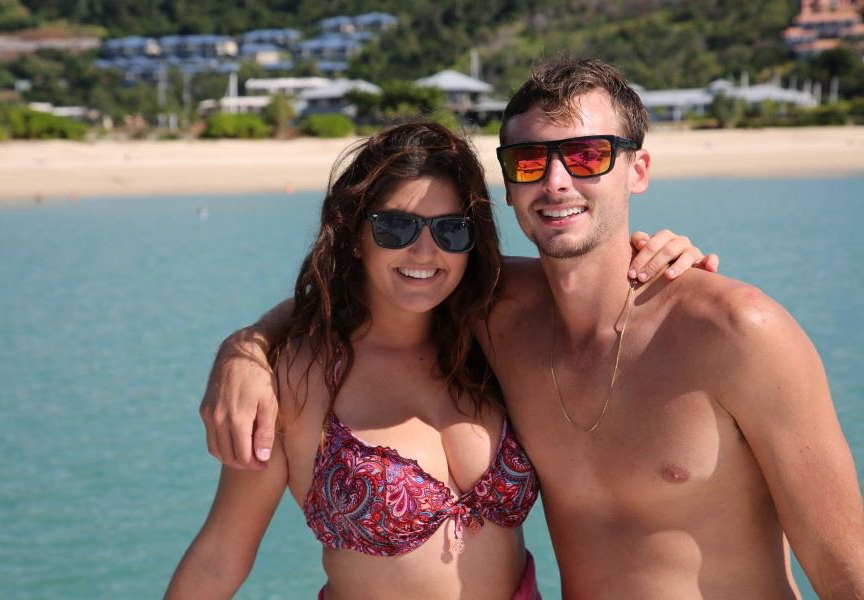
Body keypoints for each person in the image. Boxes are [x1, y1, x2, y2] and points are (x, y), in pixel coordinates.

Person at [200, 58, 864, 598]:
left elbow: (845, 569)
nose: (554, 181)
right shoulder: (497, 310)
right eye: (528, 162)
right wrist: (249, 347)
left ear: (638, 169)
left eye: (587, 156)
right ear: (509, 186)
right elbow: (367, 284)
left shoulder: (737, 332)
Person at [173, 119, 712, 600]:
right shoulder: (298, 375)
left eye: (451, 230)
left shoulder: (494, 337)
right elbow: (221, 557)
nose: (424, 252)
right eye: (396, 228)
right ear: (356, 236)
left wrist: (671, 265)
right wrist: (244, 350)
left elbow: (597, 288)